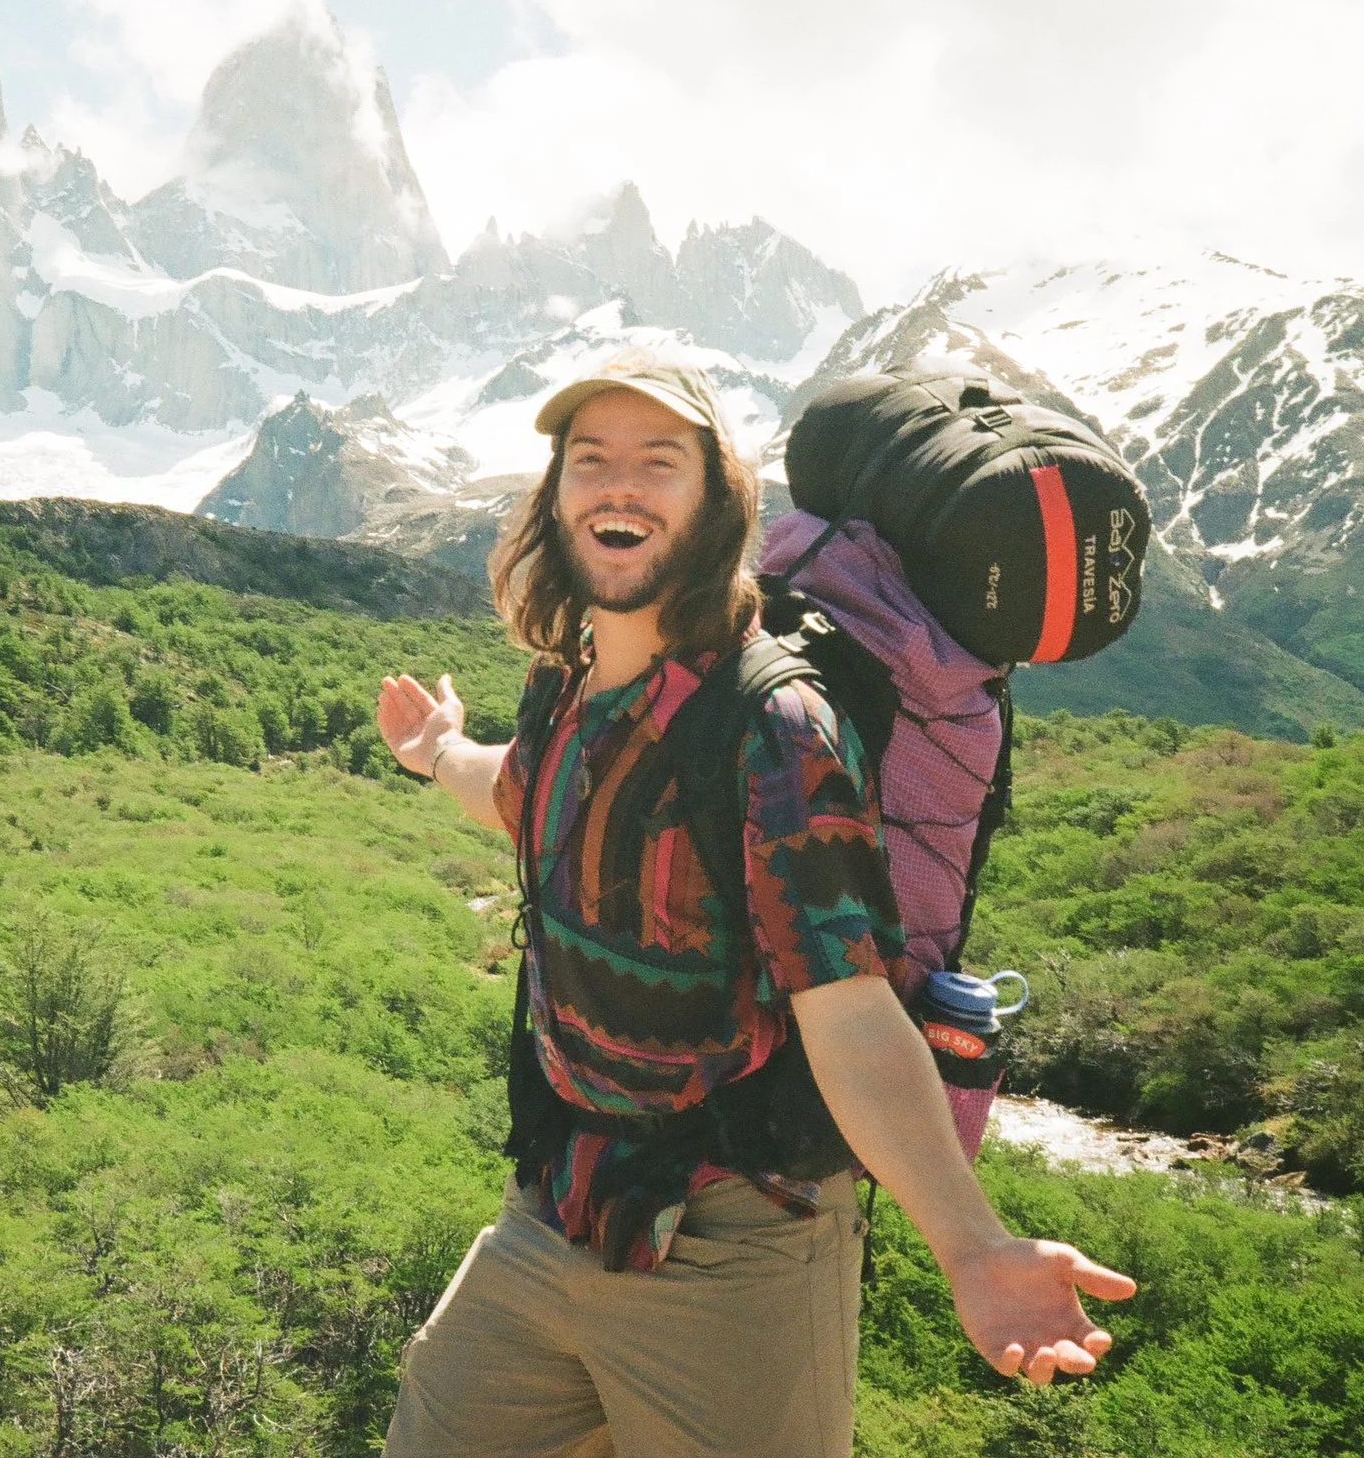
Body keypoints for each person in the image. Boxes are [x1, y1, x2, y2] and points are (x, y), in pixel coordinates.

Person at [375, 350, 1134, 1458]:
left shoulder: (771, 726)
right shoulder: (569, 678)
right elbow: (525, 794)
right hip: (555, 1204)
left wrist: (971, 1245)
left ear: (719, 502)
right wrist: (437, 748)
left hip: (738, 1240)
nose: (618, 484)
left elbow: (850, 1009)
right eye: (590, 460)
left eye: (658, 462)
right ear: (555, 499)